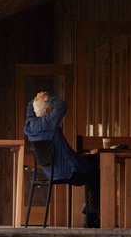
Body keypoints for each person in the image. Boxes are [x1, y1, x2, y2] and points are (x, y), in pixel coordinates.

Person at [24, 92, 101, 228]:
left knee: (89, 163)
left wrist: (36, 100)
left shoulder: (29, 125)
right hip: (68, 172)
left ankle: (90, 214)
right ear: (48, 110)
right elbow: (62, 106)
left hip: (51, 173)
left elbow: (30, 109)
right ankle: (90, 217)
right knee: (95, 169)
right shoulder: (49, 122)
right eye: (50, 109)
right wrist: (48, 98)